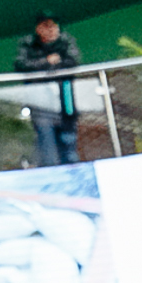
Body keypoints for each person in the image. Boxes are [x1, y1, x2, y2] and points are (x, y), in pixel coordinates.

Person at [14, 12, 83, 167]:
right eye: (46, 26)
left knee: (69, 147)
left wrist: (53, 65)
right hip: (41, 105)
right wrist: (46, 61)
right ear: (38, 29)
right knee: (47, 149)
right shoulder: (28, 44)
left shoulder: (65, 41)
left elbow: (73, 61)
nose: (51, 30)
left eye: (54, 26)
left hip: (66, 102)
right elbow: (21, 65)